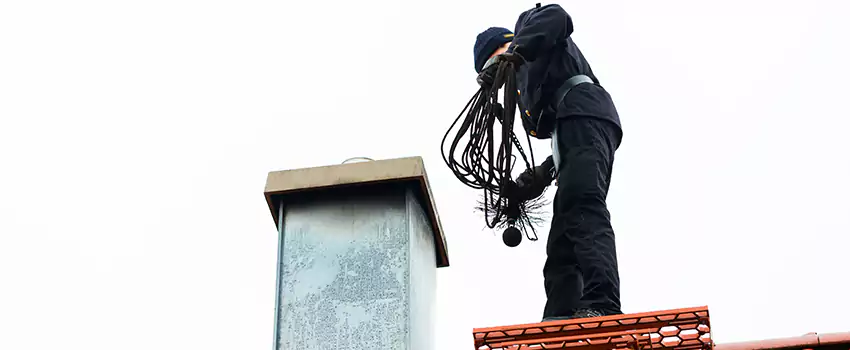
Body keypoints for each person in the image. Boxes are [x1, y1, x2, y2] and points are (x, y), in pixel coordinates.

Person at [473, 3, 624, 321]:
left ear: (503, 47)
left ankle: (602, 303)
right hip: (574, 127)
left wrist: (515, 51)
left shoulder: (529, 28)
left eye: (494, 63)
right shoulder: (532, 88)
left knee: (582, 207)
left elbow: (557, 15)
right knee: (560, 244)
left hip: (584, 112)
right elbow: (567, 140)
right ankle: (560, 320)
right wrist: (540, 176)